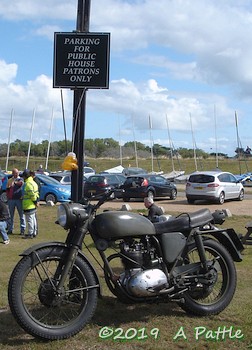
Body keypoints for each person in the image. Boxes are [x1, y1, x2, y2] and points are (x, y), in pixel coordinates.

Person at [6, 168, 26, 235]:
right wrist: (8, 196)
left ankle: (22, 229)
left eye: (17, 172)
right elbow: (7, 189)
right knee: (10, 215)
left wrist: (14, 183)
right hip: (11, 200)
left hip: (19, 199)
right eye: (15, 172)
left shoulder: (21, 179)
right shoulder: (9, 180)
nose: (16, 174)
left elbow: (20, 184)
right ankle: (10, 229)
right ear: (12, 173)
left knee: (21, 215)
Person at [22, 169, 39, 239]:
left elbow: (32, 195)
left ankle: (30, 233)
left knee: (29, 220)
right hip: (32, 204)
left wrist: (34, 201)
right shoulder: (33, 182)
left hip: (29, 204)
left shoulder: (28, 184)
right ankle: (34, 232)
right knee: (33, 219)